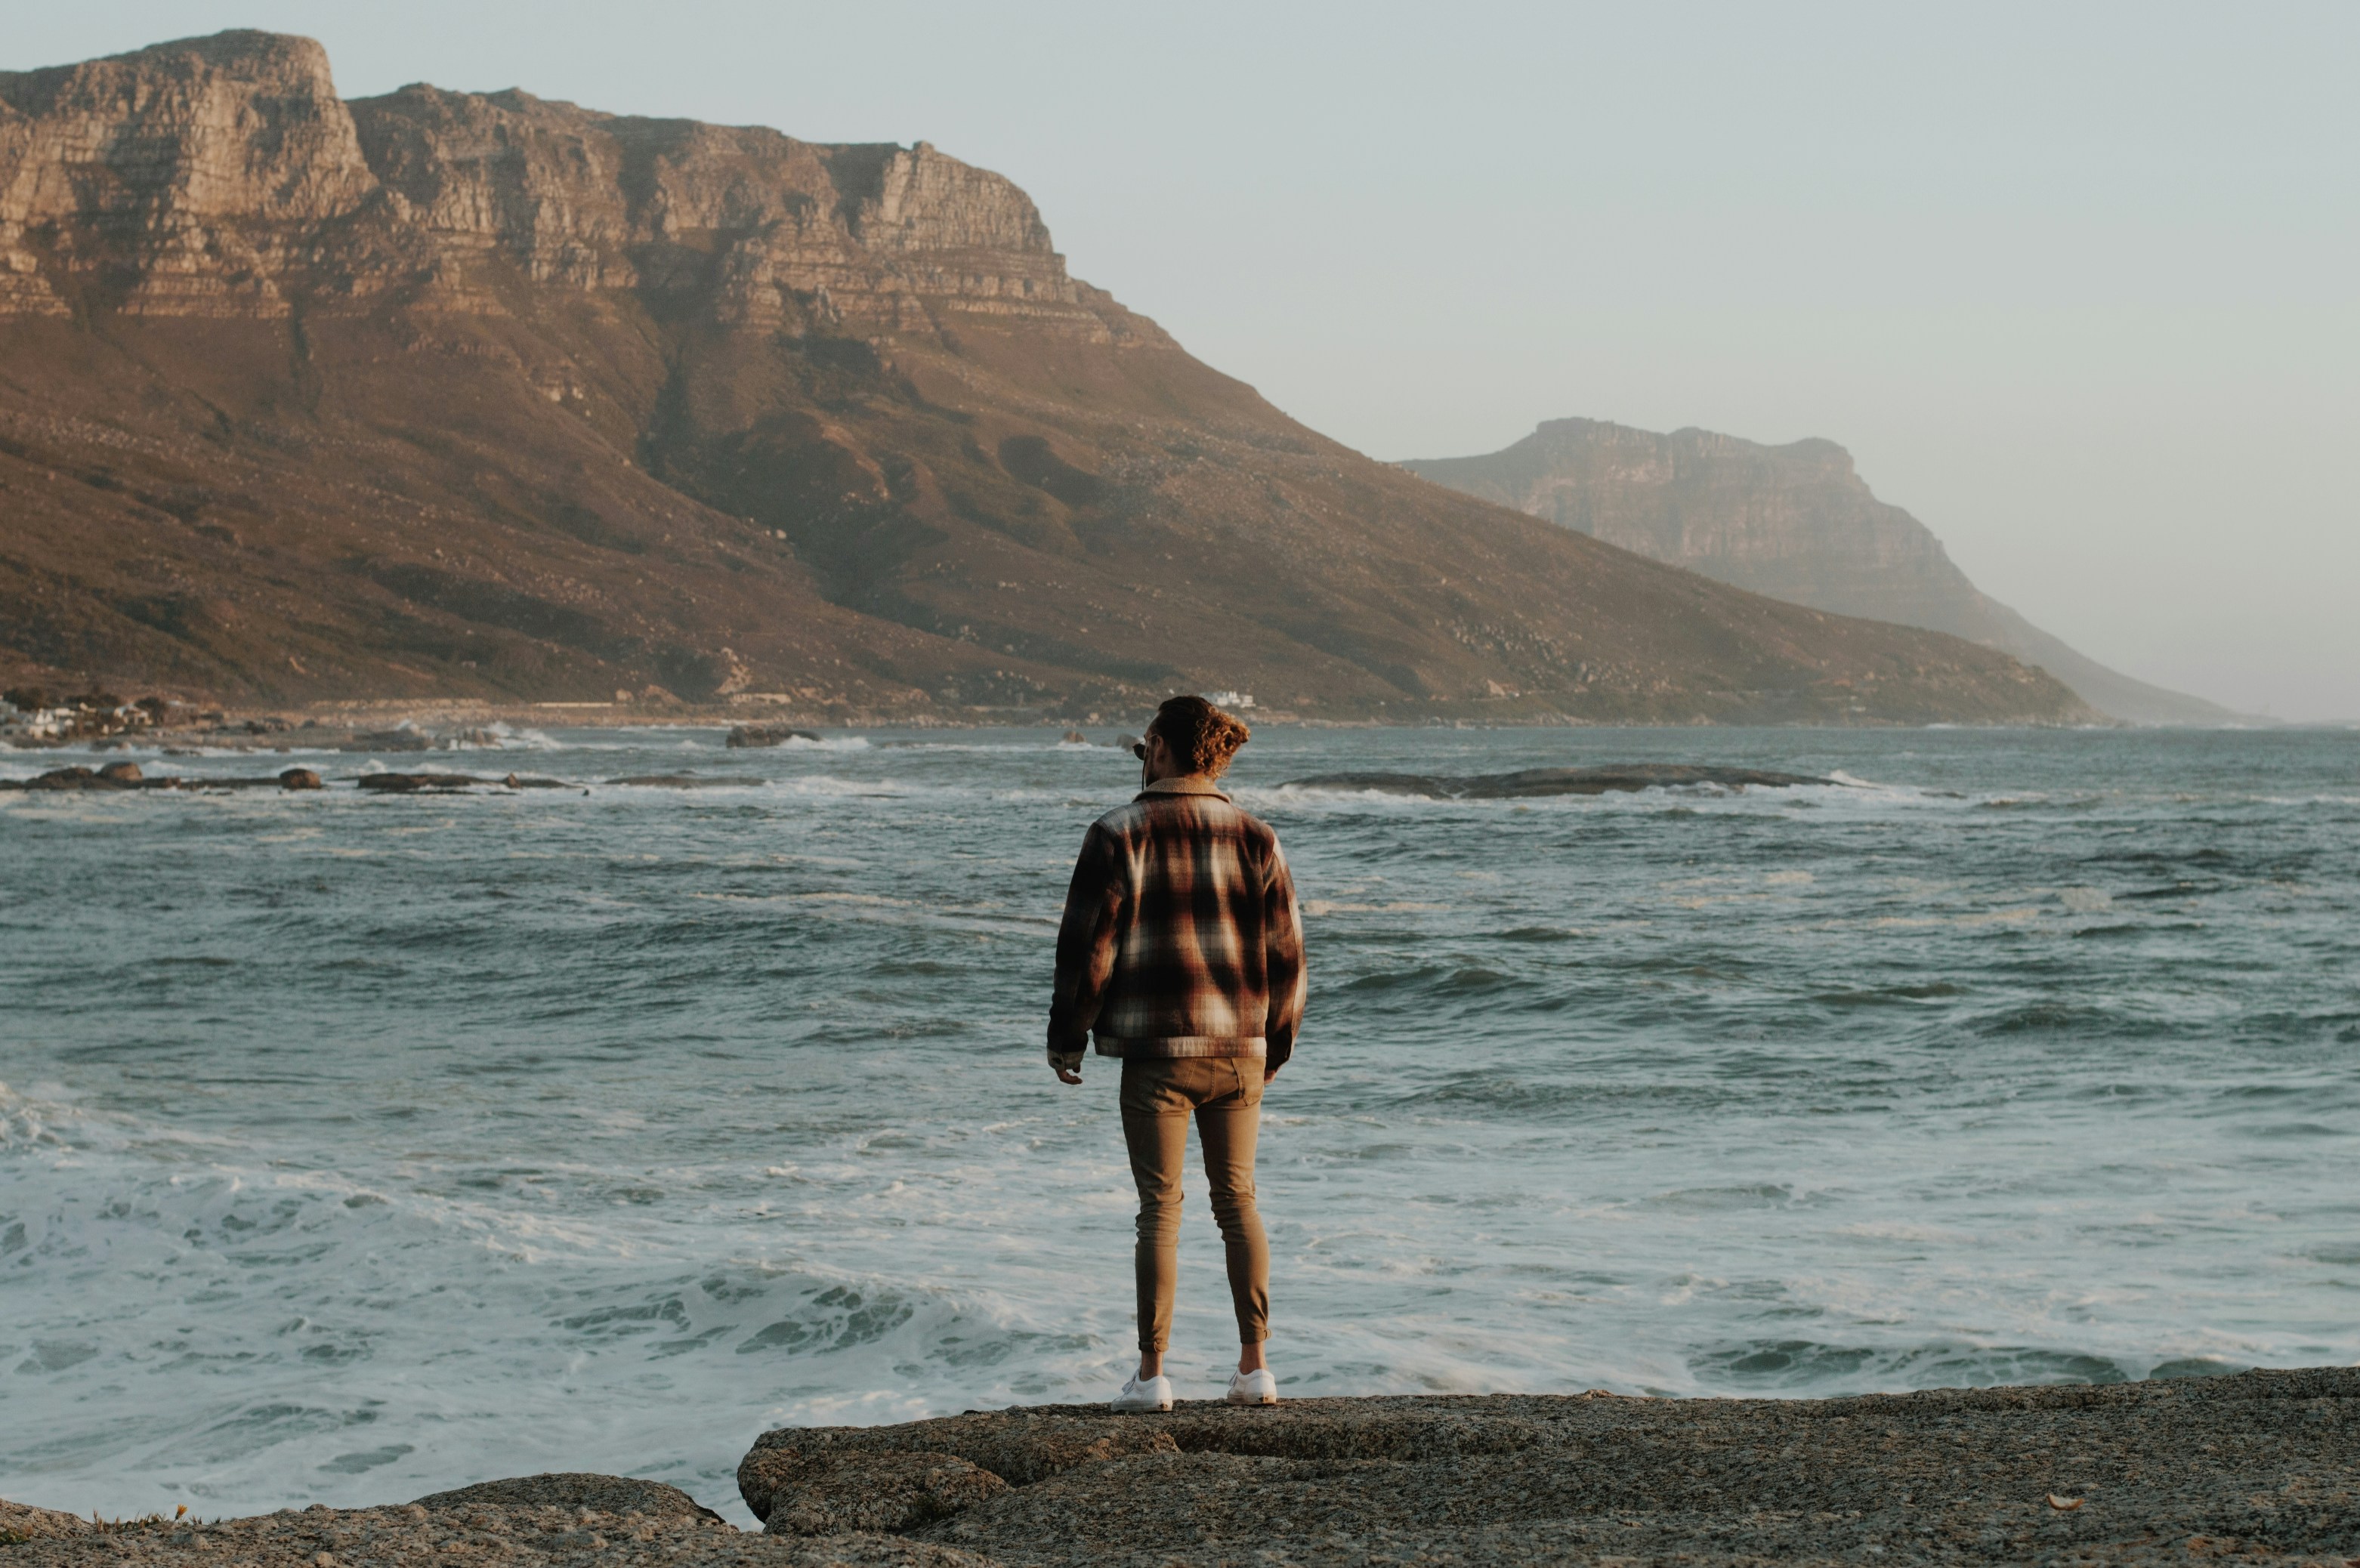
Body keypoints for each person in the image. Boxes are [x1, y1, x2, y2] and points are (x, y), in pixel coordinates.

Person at [1047, 694, 1308, 1412]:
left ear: (1160, 748)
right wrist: (1274, 1044)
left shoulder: (1116, 833)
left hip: (1157, 1053)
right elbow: (1288, 957)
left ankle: (1153, 1374)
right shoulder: (1257, 837)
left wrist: (1068, 1037)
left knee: (1160, 1210)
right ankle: (1255, 1370)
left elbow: (1086, 950)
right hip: (1238, 1052)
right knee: (1238, 1202)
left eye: (1145, 750)